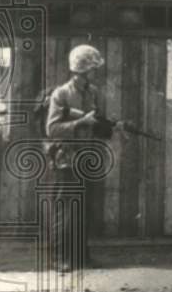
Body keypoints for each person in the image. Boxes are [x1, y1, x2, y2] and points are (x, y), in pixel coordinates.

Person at [44, 44, 121, 273]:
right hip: (65, 160)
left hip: (85, 159)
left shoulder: (93, 92)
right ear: (81, 70)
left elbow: (96, 123)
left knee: (82, 211)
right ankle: (58, 259)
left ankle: (80, 257)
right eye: (91, 69)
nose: (94, 73)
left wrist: (114, 127)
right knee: (65, 210)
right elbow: (52, 129)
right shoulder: (62, 94)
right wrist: (80, 123)